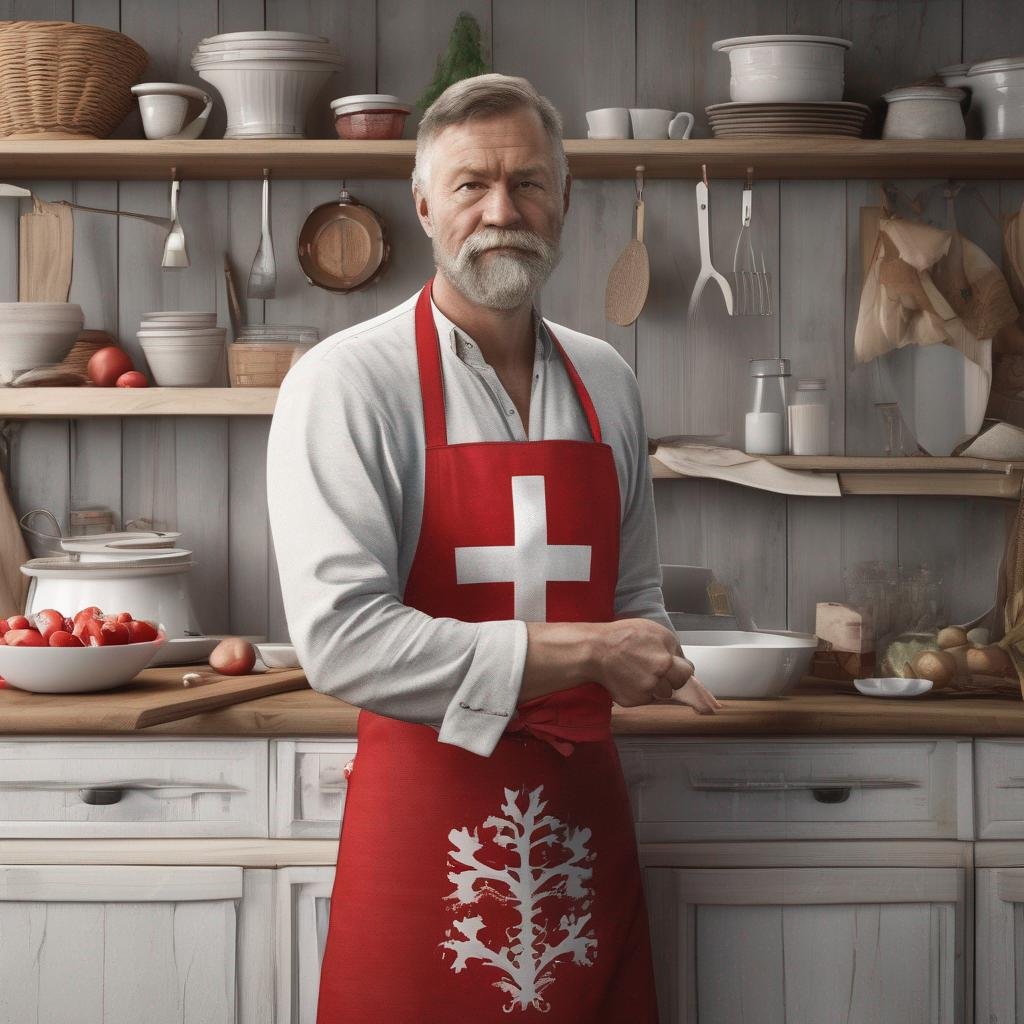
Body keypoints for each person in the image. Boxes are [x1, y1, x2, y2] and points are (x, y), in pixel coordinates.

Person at [267, 72, 723, 1024]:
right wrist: (591, 653)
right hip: (422, 816)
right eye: (471, 185)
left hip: (581, 823)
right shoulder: (346, 383)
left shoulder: (608, 380)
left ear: (567, 200)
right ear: (424, 203)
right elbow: (342, 641)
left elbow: (635, 596)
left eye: (529, 184)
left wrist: (659, 654)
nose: (501, 211)